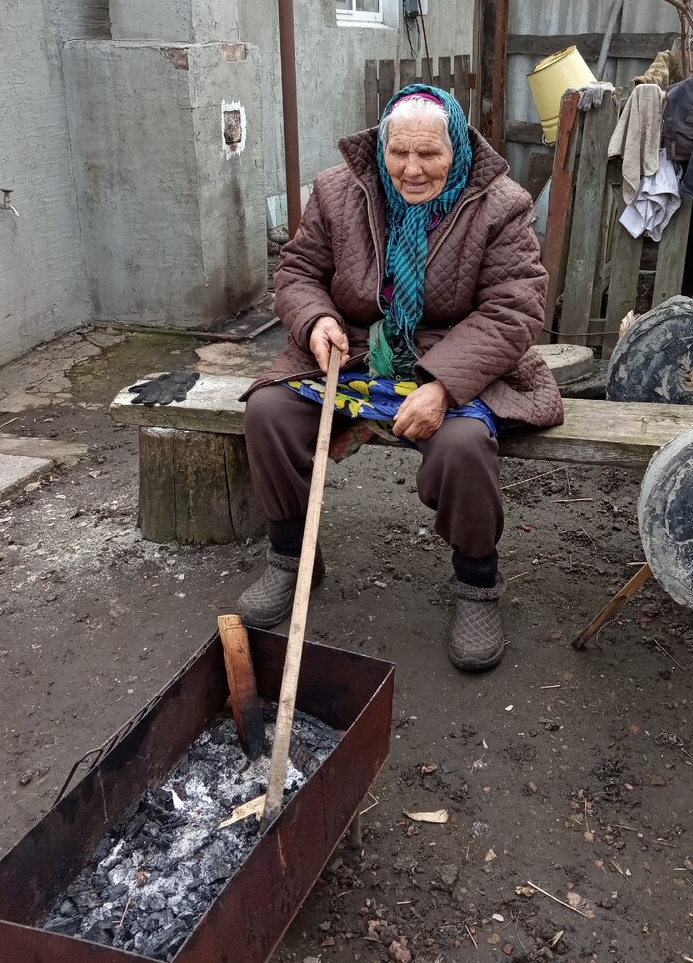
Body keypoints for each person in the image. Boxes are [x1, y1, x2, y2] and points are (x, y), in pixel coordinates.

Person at [237, 84, 563, 670]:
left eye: (429, 155)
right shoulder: (338, 191)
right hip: (357, 352)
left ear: (456, 147)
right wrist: (315, 321)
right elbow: (299, 270)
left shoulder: (501, 205)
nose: (411, 170)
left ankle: (477, 585)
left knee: (463, 446)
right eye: (399, 153)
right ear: (382, 148)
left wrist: (441, 386)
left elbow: (513, 311)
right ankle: (291, 557)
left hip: (457, 357)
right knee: (269, 414)